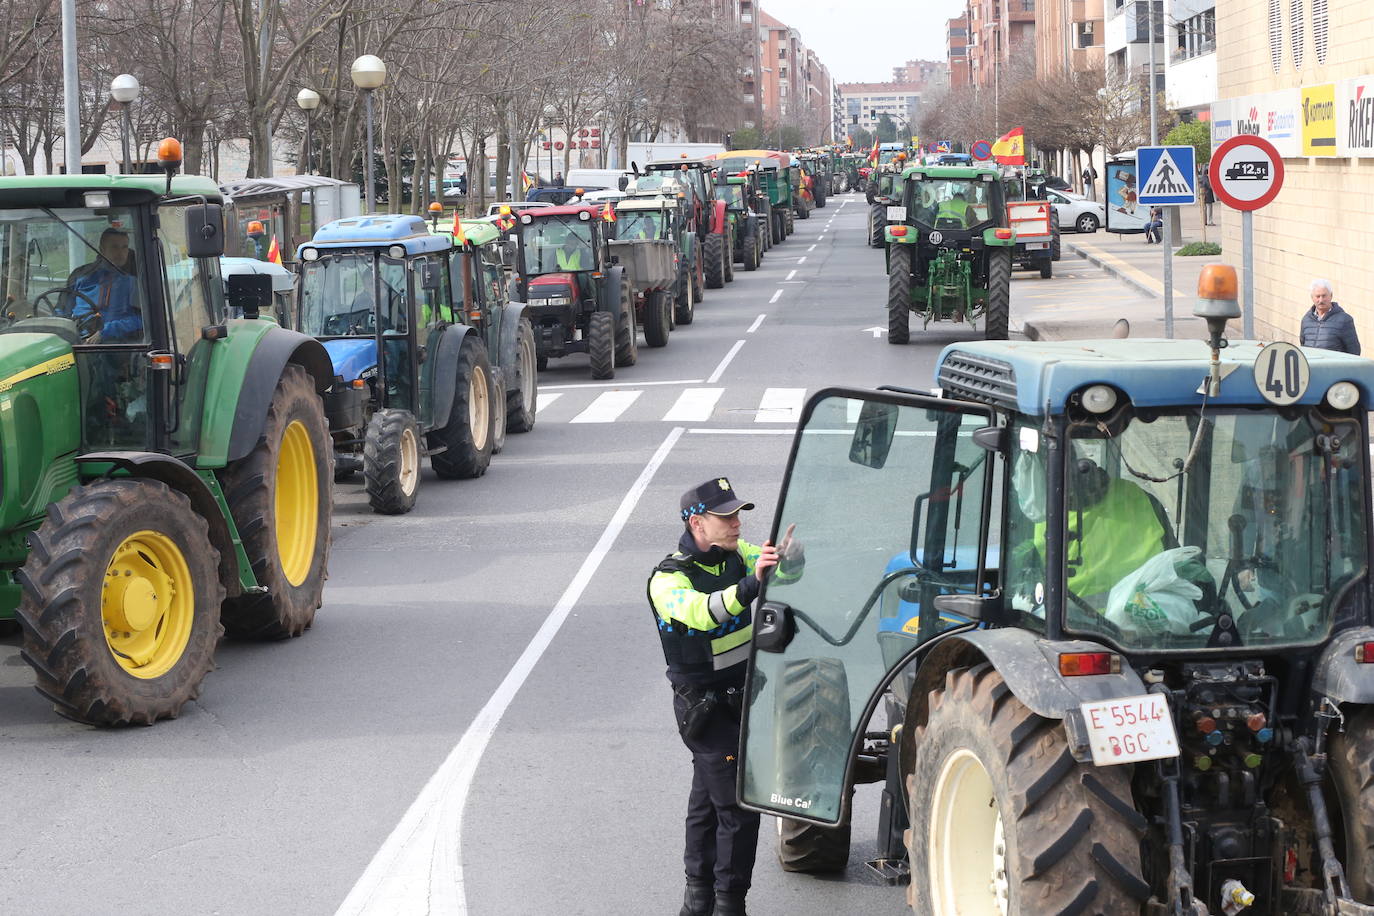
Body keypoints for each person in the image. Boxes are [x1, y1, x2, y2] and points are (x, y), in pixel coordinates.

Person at [648, 478, 799, 916]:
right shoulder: (668, 577)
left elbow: (779, 573)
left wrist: (791, 559)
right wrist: (753, 586)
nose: (737, 523)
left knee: (706, 800)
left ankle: (697, 899)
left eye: (738, 515)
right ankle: (730, 904)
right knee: (738, 807)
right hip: (703, 707)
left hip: (742, 696)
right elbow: (703, 613)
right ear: (698, 522)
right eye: (726, 516)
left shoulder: (739, 553)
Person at [67, 228, 142, 342]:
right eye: (114, 247)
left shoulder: (132, 282)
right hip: (78, 339)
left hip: (116, 345)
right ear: (102, 249)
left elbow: (143, 319)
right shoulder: (80, 276)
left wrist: (107, 331)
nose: (120, 253)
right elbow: (62, 311)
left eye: (124, 247)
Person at [1300, 279, 1361, 354]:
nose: (1321, 300)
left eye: (1324, 296)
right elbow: (1302, 345)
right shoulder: (1306, 320)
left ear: (1331, 296)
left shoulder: (1344, 320)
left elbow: (1354, 351)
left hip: (1334, 365)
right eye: (1318, 296)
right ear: (1312, 297)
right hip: (1311, 365)